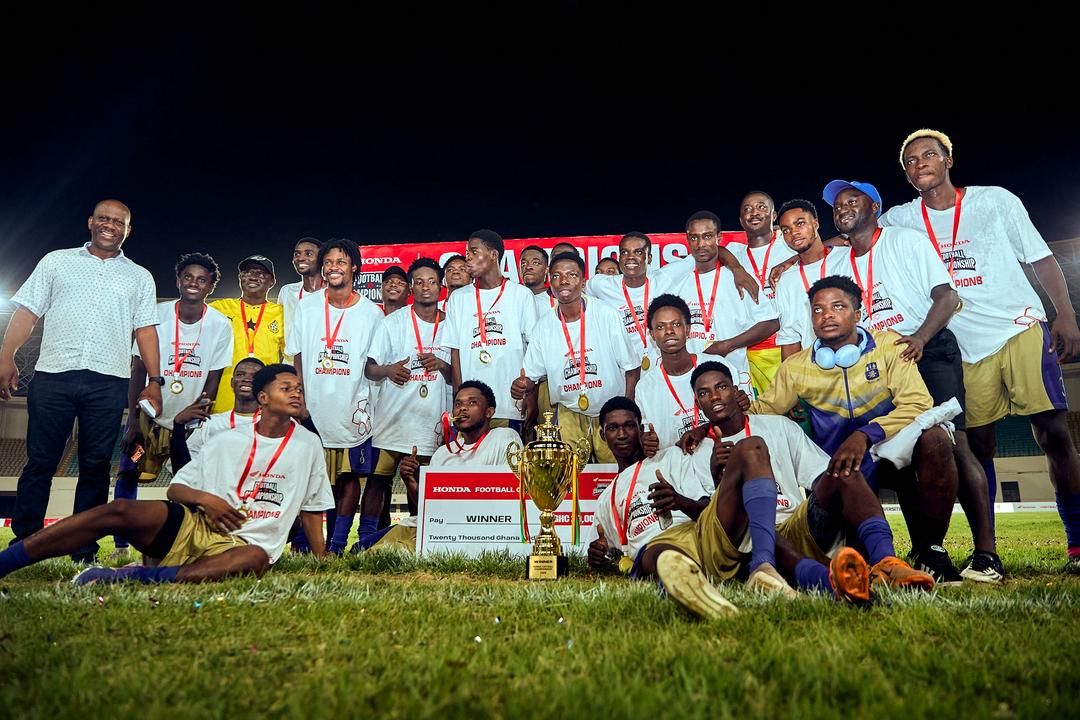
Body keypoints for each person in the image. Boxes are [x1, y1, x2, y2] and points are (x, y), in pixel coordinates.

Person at [882, 128, 1080, 573]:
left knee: (1053, 434)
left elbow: (1040, 257)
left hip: (1017, 326)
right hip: (962, 345)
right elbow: (853, 235)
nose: (919, 164)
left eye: (928, 155)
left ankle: (1078, 542)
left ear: (948, 160)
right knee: (977, 447)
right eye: (910, 161)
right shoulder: (901, 219)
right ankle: (985, 552)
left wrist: (1064, 313)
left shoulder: (995, 200)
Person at [639, 361, 934, 619]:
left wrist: (837, 494)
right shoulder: (694, 450)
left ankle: (886, 563)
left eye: (721, 387)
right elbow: (707, 520)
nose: (714, 396)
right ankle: (773, 568)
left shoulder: (779, 426)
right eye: (704, 393)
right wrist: (718, 477)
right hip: (739, 540)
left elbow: (820, 476)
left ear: (736, 391)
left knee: (843, 470)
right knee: (751, 450)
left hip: (792, 523)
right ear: (697, 403)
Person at [0, 364, 334, 585]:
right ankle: (5, 563)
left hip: (246, 546)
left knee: (257, 558)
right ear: (263, 398)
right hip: (197, 526)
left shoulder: (308, 445)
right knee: (120, 509)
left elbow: (312, 507)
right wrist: (208, 500)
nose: (296, 393)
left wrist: (320, 559)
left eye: (299, 389)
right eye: (286, 388)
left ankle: (135, 577)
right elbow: (176, 489)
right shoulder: (227, 440)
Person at [823, 178, 1000, 582]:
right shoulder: (837, 263)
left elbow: (948, 296)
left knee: (955, 445)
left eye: (853, 200)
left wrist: (920, 337)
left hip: (927, 348)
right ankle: (925, 548)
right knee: (902, 454)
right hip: (882, 365)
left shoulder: (906, 240)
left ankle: (987, 554)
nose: (843, 207)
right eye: (838, 204)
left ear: (875, 207)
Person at [746, 276, 964, 584]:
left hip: (890, 452)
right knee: (857, 561)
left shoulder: (889, 347)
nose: (827, 315)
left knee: (936, 438)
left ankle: (932, 552)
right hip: (842, 472)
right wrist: (723, 417)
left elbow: (918, 404)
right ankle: (880, 557)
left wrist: (866, 434)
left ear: (858, 314)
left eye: (838, 307)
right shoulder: (796, 367)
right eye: (818, 309)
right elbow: (763, 411)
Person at [0, 199, 162, 562]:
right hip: (54, 374)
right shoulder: (56, 262)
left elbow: (146, 331)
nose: (109, 225)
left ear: (128, 230)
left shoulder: (139, 276)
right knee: (40, 461)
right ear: (90, 221)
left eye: (118, 222)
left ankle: (84, 548)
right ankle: (25, 543)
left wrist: (155, 380)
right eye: (103, 218)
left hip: (108, 380)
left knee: (96, 466)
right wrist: (5, 356)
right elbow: (27, 312)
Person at [111, 253, 233, 557]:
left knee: (189, 483)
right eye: (188, 277)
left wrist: (197, 419)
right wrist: (132, 420)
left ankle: (188, 542)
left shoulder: (220, 325)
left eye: (201, 279)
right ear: (178, 281)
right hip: (148, 418)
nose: (194, 283)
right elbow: (138, 369)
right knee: (128, 472)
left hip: (187, 424)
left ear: (210, 287)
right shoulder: (155, 315)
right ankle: (121, 546)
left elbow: (214, 379)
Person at [285, 238, 389, 554]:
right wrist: (299, 395)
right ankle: (303, 544)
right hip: (312, 408)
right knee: (308, 477)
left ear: (354, 267)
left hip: (351, 408)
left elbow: (372, 364)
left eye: (340, 262)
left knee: (348, 479)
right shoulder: (307, 306)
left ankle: (338, 544)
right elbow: (297, 354)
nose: (333, 268)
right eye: (328, 262)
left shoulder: (371, 313)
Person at [513, 252, 640, 462]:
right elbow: (531, 375)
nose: (563, 281)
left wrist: (626, 408)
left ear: (583, 282)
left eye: (571, 275)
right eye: (556, 276)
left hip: (609, 410)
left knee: (616, 470)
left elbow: (632, 368)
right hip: (568, 412)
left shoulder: (606, 314)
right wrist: (520, 385)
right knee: (570, 474)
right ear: (550, 282)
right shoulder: (543, 326)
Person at [366, 258, 451, 545]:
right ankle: (367, 538)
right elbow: (369, 369)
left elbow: (459, 375)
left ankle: (421, 538)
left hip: (431, 421)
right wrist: (388, 371)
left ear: (441, 286)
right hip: (393, 419)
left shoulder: (452, 324)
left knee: (422, 482)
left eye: (432, 281)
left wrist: (441, 364)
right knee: (378, 481)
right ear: (411, 288)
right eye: (419, 282)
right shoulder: (393, 322)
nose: (426, 287)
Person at [382, 382, 522, 552]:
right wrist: (409, 479)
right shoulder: (443, 453)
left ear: (489, 412)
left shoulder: (505, 438)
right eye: (457, 404)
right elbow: (430, 509)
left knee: (388, 552)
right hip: (434, 527)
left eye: (472, 402)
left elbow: (510, 496)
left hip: (478, 532)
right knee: (361, 548)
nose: (462, 408)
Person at [587, 396, 713, 572]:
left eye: (629, 426)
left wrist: (680, 502)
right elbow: (603, 548)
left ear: (640, 430)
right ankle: (683, 576)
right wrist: (597, 555)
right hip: (649, 555)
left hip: (688, 536)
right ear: (603, 435)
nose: (622, 435)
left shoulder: (671, 457)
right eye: (613, 428)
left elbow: (708, 510)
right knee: (655, 553)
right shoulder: (605, 498)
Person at [667, 211, 779, 396]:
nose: (700, 244)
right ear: (687, 240)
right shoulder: (677, 282)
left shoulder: (740, 279)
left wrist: (727, 345)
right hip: (690, 380)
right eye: (694, 238)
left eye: (707, 236)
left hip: (734, 377)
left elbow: (771, 322)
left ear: (718, 238)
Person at [445, 229, 539, 433]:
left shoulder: (521, 295)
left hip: (510, 404)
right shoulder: (458, 299)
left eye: (474, 251)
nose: (468, 258)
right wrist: (459, 399)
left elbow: (534, 350)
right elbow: (455, 353)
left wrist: (532, 394)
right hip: (471, 409)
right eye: (467, 252)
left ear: (493, 255)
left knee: (509, 454)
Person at [772, 200, 852, 357]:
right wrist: (789, 372)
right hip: (817, 364)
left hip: (860, 358)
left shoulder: (847, 258)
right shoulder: (786, 281)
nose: (794, 232)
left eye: (800, 223)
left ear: (815, 224)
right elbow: (790, 338)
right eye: (786, 230)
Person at [736, 192, 797, 395]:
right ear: (741, 220)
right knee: (762, 413)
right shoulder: (735, 256)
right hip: (752, 354)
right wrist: (735, 267)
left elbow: (830, 246)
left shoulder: (791, 247)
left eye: (761, 207)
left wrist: (793, 260)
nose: (754, 213)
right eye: (747, 209)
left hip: (791, 347)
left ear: (774, 215)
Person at [210, 255, 285, 412]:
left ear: (272, 282)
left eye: (260, 273)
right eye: (248, 272)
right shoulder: (219, 309)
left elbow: (289, 357)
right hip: (225, 398)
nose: (253, 276)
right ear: (240, 278)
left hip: (265, 399)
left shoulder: (281, 313)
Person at [584, 232, 665, 374]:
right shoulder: (600, 284)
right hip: (621, 370)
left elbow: (693, 261)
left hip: (658, 367)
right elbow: (586, 300)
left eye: (638, 252)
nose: (630, 257)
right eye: (624, 252)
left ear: (649, 258)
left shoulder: (663, 280)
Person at [634, 294, 708, 449]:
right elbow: (646, 435)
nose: (669, 331)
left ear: (687, 329)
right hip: (674, 461)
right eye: (660, 327)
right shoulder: (644, 388)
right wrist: (646, 442)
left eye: (676, 324)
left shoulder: (715, 366)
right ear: (652, 335)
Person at [170, 357, 265, 471]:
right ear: (232, 383)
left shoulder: (272, 425)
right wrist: (178, 425)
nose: (247, 379)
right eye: (240, 374)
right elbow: (183, 470)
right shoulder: (210, 423)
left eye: (255, 376)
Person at [276, 237, 326, 330]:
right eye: (297, 254)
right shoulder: (287, 291)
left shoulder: (333, 292)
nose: (300, 258)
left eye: (308, 254)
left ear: (322, 259)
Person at [519, 244, 554, 313]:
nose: (528, 267)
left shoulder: (557, 298)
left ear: (546, 270)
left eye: (535, 263)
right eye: (523, 263)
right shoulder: (511, 297)